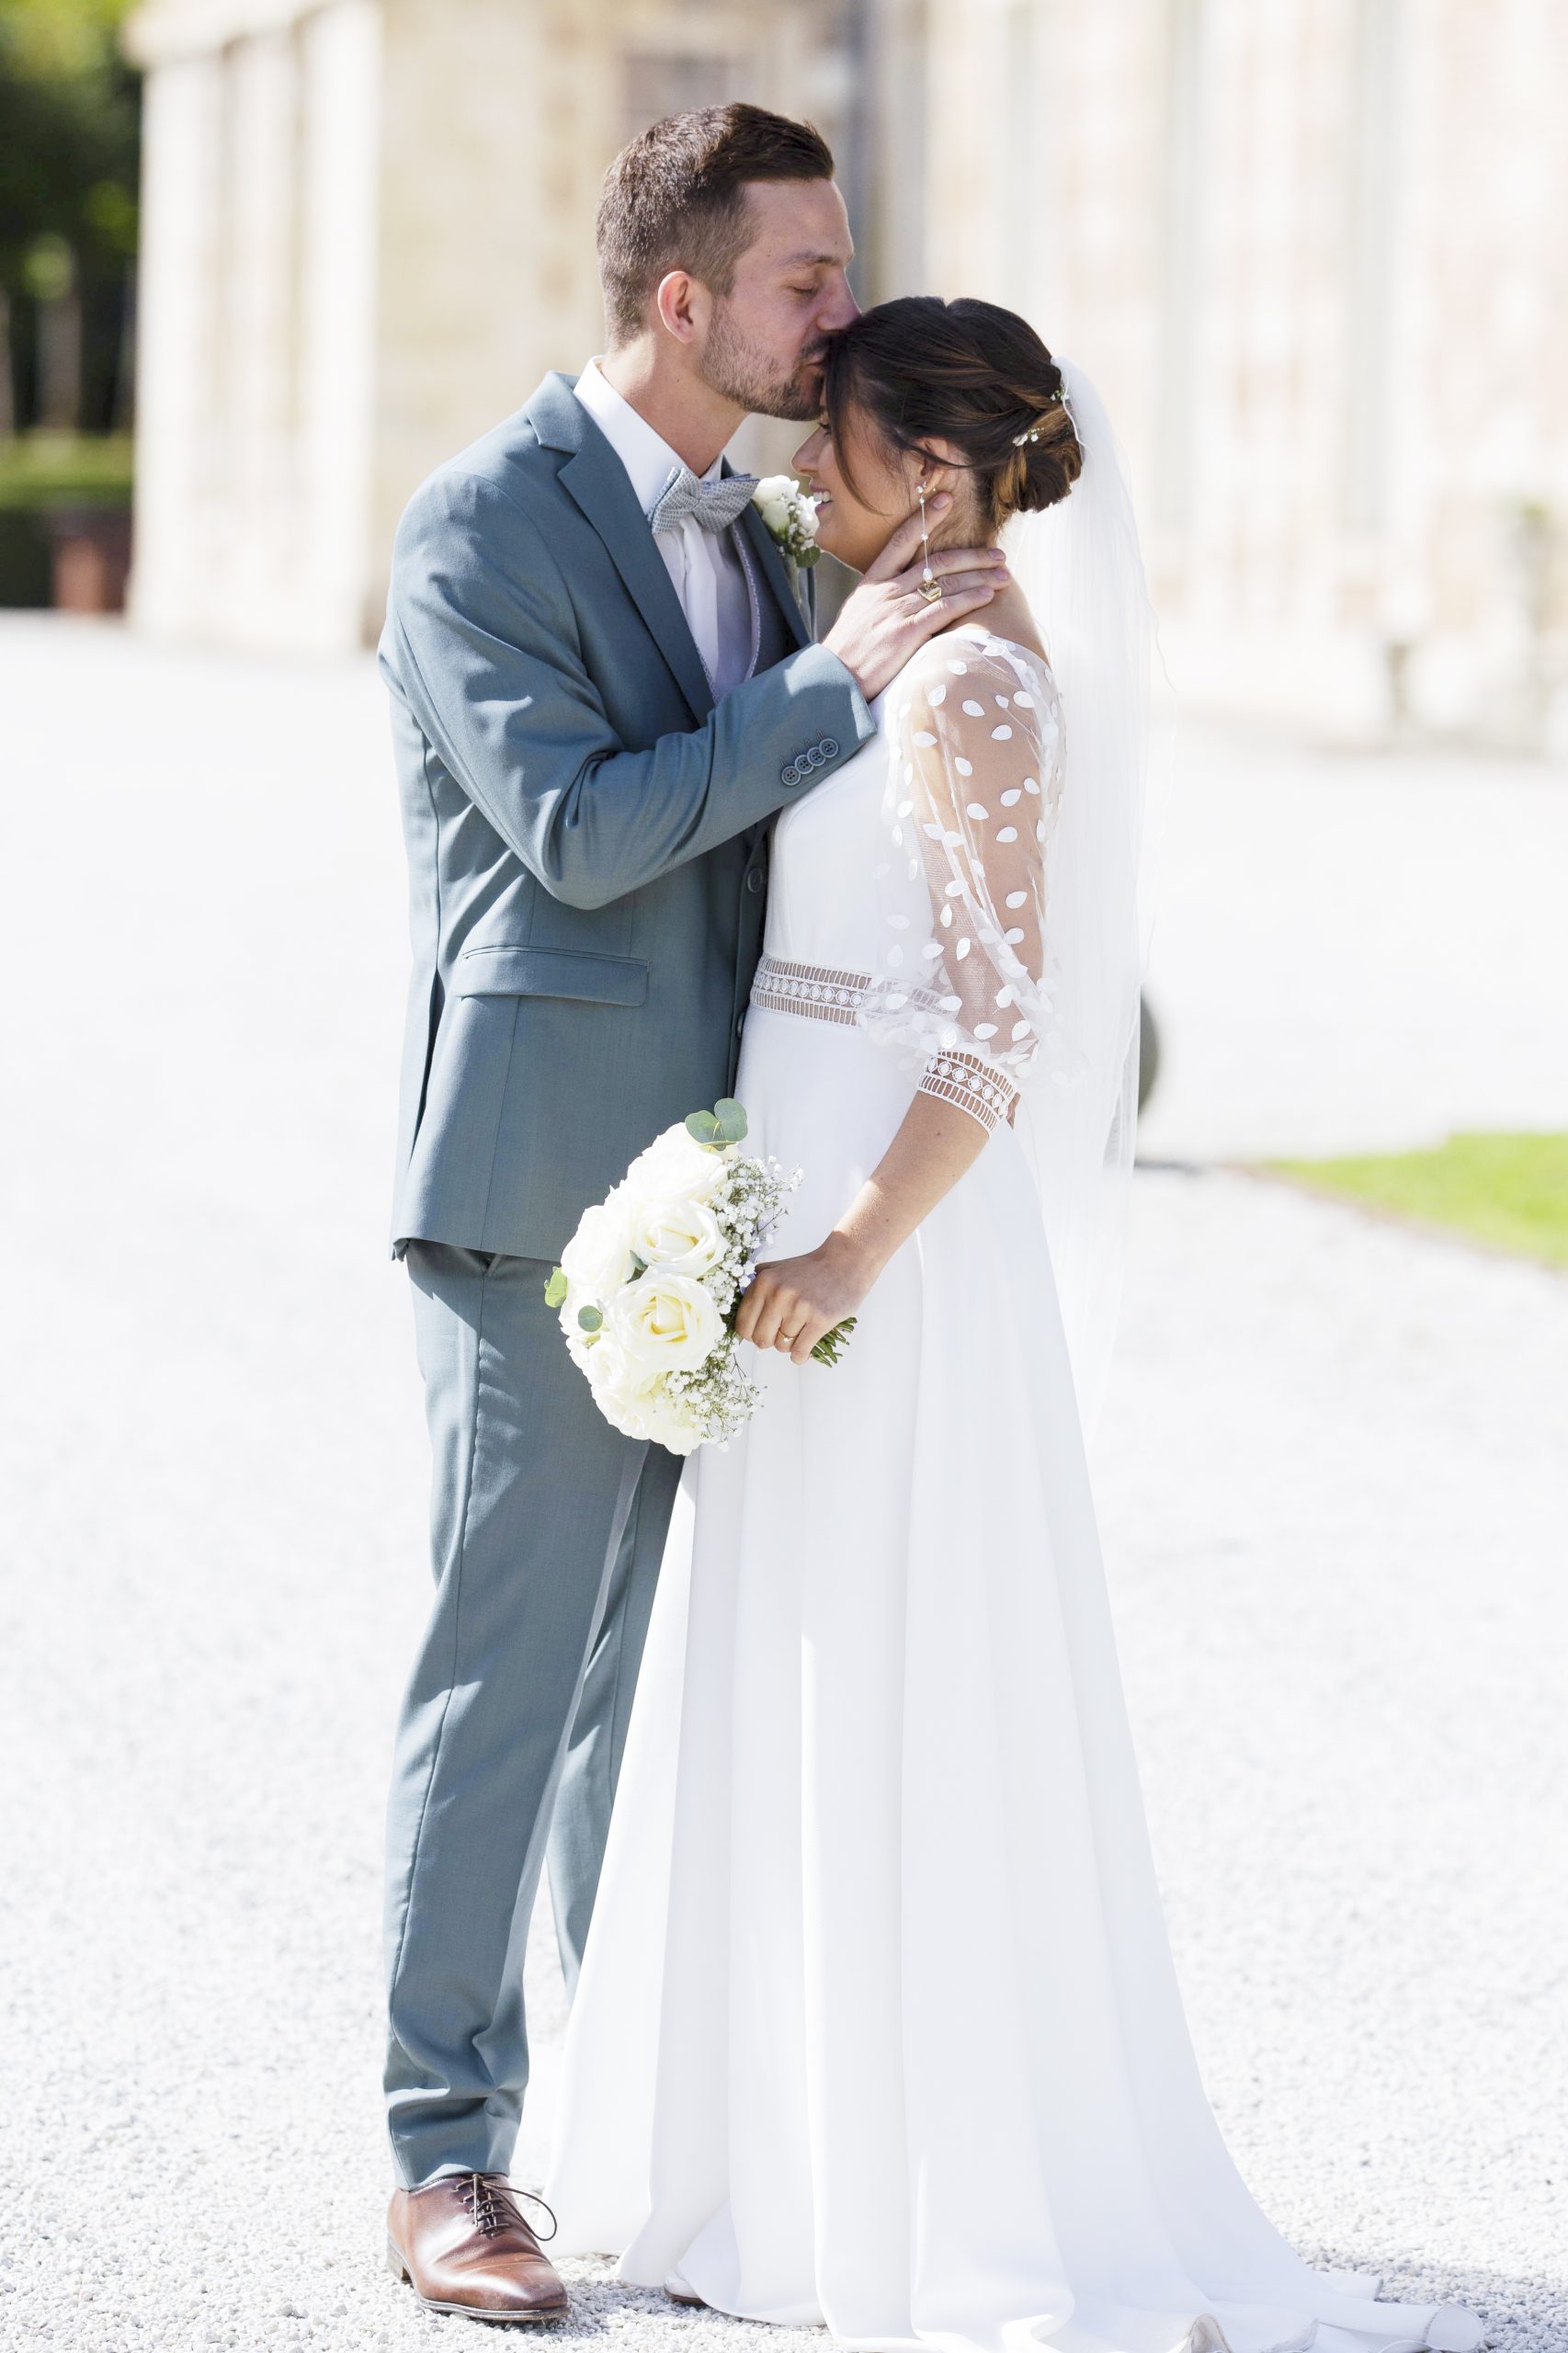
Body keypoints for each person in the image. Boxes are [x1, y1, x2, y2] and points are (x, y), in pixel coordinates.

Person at [543, 297, 1485, 2353]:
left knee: (892, 1676)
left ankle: (917, 2195)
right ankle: (761, 2165)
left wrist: (856, 1247)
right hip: (773, 1187)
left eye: (843, 440)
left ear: (943, 474)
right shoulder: (870, 650)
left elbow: (999, 1029)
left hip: (881, 1247)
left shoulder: (976, 689)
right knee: (777, 1666)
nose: (807, 467)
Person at [376, 107, 1008, 2323]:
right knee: (505, 1675)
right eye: (803, 283)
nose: (838, 317)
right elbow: (569, 825)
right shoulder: (476, 525)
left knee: (664, 1703)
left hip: (738, 1192)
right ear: (681, 298)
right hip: (543, 1199)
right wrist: (838, 677)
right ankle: (445, 2155)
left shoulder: (766, 515)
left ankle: (644, 2136)